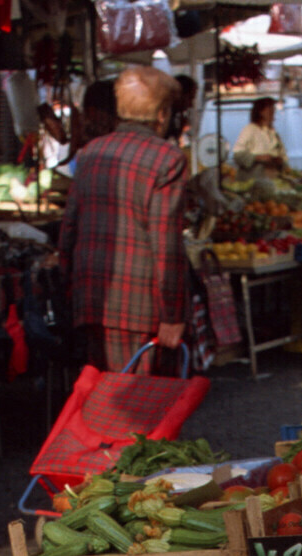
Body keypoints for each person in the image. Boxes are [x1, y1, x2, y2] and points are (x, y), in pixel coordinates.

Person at [58, 66, 187, 372]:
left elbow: (69, 229)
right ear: (161, 114)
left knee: (103, 400)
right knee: (140, 405)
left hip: (91, 299)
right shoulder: (167, 158)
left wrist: (69, 290)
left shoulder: (90, 152)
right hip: (140, 307)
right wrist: (172, 315)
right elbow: (166, 244)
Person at [233, 98, 288, 172]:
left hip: (273, 176)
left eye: (273, 109)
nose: (273, 111)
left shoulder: (273, 133)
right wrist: (258, 158)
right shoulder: (250, 129)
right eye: (269, 109)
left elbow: (283, 156)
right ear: (260, 112)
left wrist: (279, 160)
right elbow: (237, 155)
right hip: (254, 176)